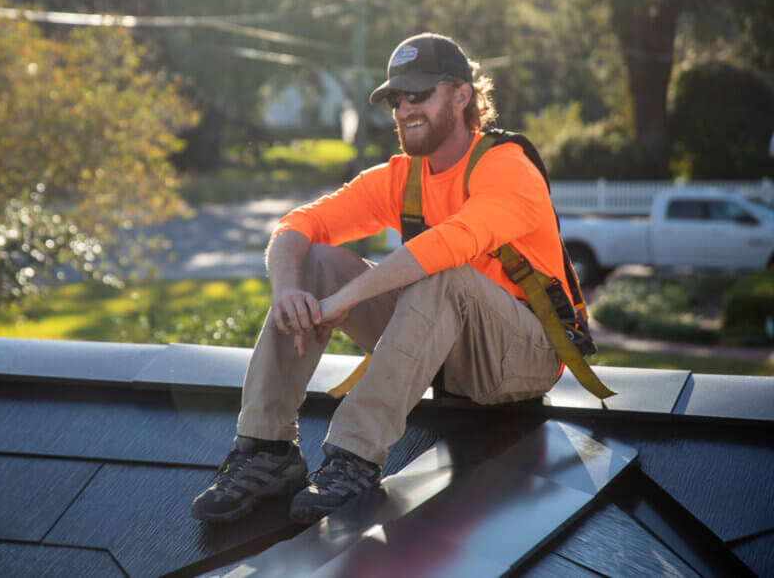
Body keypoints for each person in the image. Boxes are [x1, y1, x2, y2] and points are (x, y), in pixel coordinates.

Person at [191, 32, 568, 525]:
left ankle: (353, 457)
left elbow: (447, 245)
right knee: (314, 262)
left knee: (441, 270)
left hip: (526, 355)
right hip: (444, 348)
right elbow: (295, 226)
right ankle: (267, 448)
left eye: (419, 94)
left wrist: (343, 302)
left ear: (461, 96)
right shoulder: (402, 177)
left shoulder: (507, 168)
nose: (404, 108)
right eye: (396, 98)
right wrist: (289, 293)